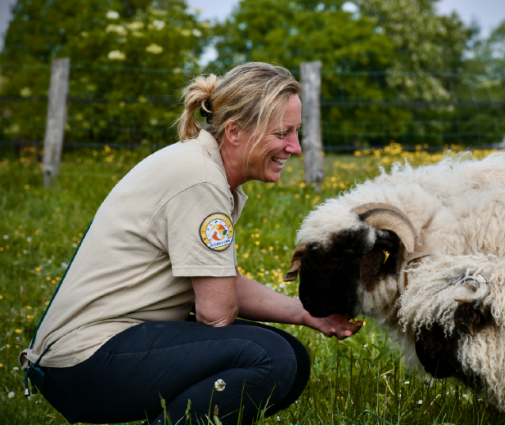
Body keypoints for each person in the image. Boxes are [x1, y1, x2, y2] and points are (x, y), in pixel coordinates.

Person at [20, 62, 362, 425]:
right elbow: (215, 314)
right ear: (233, 131)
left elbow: (216, 280)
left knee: (291, 356)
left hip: (98, 352)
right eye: (282, 133)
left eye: (297, 132)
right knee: (271, 358)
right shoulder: (200, 180)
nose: (294, 147)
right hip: (85, 361)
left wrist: (306, 313)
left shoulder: (204, 168)